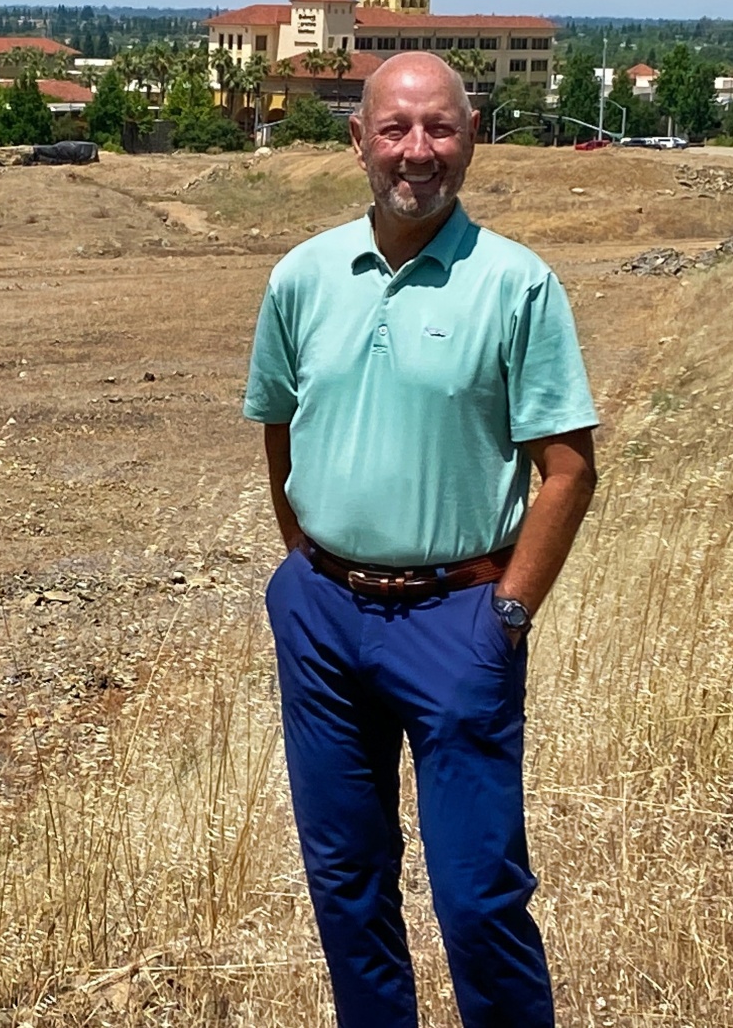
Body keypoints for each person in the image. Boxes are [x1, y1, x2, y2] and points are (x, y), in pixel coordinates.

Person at [243, 52, 599, 1027]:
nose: (416, 151)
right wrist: (301, 571)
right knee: (345, 881)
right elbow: (280, 427)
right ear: (356, 140)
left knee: (478, 895)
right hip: (320, 620)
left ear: (469, 136)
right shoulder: (301, 277)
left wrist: (507, 613)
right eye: (394, 129)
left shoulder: (515, 286)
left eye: (437, 128)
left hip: (456, 620)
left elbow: (565, 470)